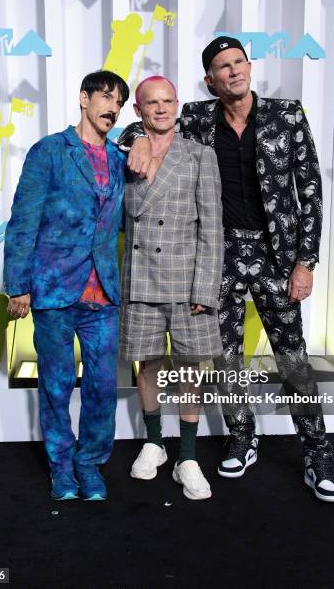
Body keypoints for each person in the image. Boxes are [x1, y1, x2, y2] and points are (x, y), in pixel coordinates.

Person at [120, 37, 334, 503]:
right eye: (222, 67)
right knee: (225, 357)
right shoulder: (199, 118)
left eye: (238, 62)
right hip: (222, 254)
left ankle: (317, 450)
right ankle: (242, 435)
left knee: (293, 356)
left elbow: (312, 192)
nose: (233, 71)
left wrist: (306, 262)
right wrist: (137, 137)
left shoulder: (288, 114)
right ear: (210, 80)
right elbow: (147, 125)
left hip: (276, 256)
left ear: (248, 66)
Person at [4, 70, 129, 501]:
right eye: (106, 97)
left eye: (119, 101)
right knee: (56, 384)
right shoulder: (49, 152)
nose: (113, 107)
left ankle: (90, 464)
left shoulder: (118, 159)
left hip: (103, 294)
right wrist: (18, 284)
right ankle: (61, 468)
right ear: (83, 98)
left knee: (102, 387)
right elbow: (23, 219)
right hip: (54, 289)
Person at [120, 75, 223, 500]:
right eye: (151, 103)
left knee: (189, 370)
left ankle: (187, 457)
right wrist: (134, 140)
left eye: (167, 101)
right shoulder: (124, 152)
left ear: (177, 105)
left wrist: (206, 288)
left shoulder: (200, 155)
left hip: (187, 281)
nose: (161, 109)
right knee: (147, 364)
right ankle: (153, 443)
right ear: (138, 110)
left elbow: (212, 228)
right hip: (140, 275)